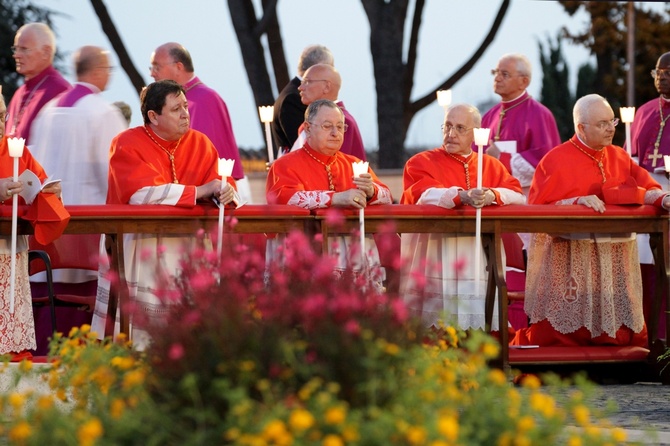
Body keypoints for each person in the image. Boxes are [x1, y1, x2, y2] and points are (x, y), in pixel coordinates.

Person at [511, 94, 670, 348]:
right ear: (581, 128)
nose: (610, 129)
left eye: (612, 122)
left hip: (611, 254)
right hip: (572, 256)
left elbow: (644, 186)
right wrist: (575, 202)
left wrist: (662, 199)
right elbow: (539, 210)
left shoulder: (618, 156)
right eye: (602, 124)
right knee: (569, 323)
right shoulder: (555, 160)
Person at [90, 80, 240, 348]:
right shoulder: (127, 142)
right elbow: (140, 193)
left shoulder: (200, 143)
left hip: (190, 246)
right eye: (176, 109)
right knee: (144, 339)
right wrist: (200, 191)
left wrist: (226, 193)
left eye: (185, 106)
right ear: (153, 116)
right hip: (142, 244)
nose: (185, 114)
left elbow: (222, 183)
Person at [401, 103, 526, 330]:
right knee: (438, 325)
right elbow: (424, 193)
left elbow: (517, 195)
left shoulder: (490, 164)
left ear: (477, 132)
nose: (451, 134)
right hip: (437, 252)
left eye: (460, 128)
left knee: (476, 320)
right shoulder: (421, 162)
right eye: (447, 126)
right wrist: (462, 196)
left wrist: (491, 195)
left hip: (479, 254)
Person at [267, 99, 391, 273]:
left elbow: (386, 195)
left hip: (353, 247)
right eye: (327, 126)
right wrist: (336, 198)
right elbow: (286, 198)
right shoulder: (284, 165)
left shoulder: (354, 163)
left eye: (340, 127)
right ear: (308, 128)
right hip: (306, 248)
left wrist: (371, 191)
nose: (335, 133)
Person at [0, 89, 62, 359]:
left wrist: (49, 192)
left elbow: (38, 181)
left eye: (3, 116)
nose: (0, 124)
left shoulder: (15, 150)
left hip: (12, 248)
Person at [149, 42, 251, 203]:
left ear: (178, 67)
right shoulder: (190, 97)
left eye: (156, 67)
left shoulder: (204, 100)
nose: (152, 74)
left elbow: (202, 158)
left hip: (219, 195)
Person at [30, 45, 127, 205]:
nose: (109, 74)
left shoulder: (48, 110)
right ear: (96, 71)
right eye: (108, 69)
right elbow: (113, 171)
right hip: (88, 214)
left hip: (47, 211)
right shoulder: (103, 112)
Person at [629, 52, 670, 338]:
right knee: (645, 268)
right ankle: (646, 335)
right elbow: (628, 157)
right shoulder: (642, 112)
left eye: (668, 72)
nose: (662, 78)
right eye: (658, 72)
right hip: (646, 195)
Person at [481, 54, 561, 191]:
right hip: (490, 195)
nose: (497, 78)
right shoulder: (489, 116)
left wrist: (501, 158)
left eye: (504, 74)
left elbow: (547, 161)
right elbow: (474, 154)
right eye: (496, 72)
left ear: (524, 82)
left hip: (526, 199)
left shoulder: (539, 115)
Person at [7, 22, 70, 144]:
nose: (16, 55)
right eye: (16, 48)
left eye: (24, 49)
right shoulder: (19, 93)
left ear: (46, 52)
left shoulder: (60, 91)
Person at [289, 64, 366, 160]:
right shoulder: (314, 119)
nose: (300, 87)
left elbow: (332, 167)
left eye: (307, 81)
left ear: (326, 87)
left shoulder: (343, 121)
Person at [271, 45, 334, 158]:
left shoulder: (294, 93)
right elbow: (302, 143)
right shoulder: (293, 98)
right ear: (318, 68)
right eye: (331, 68)